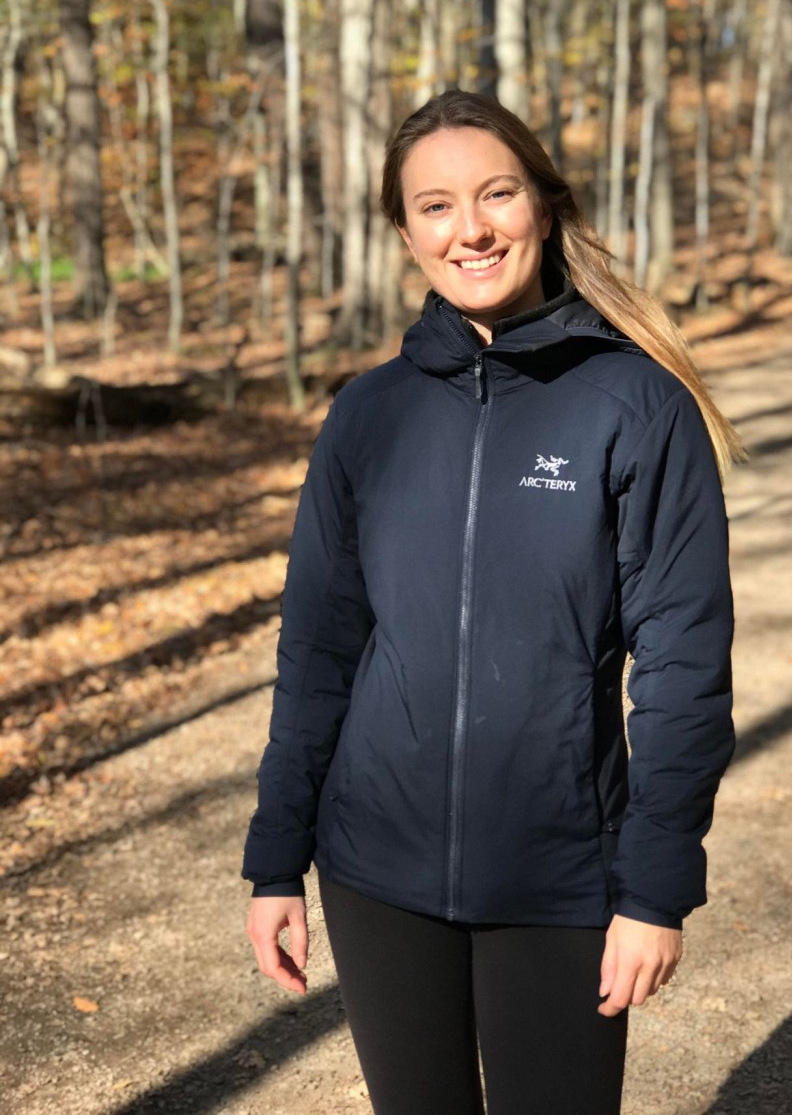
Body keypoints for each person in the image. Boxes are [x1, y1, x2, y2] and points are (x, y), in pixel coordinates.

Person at [243, 89, 744, 1115]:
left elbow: (684, 663)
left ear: (544, 207)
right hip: (374, 873)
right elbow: (320, 651)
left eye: (495, 195)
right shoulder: (368, 415)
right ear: (405, 233)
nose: (468, 228)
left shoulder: (635, 406)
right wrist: (276, 861)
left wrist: (654, 888)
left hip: (559, 878)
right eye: (435, 206)